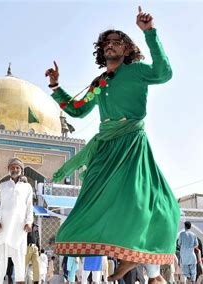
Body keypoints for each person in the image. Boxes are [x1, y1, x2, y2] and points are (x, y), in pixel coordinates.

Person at [45, 6, 179, 283]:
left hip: (131, 144)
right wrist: (57, 88)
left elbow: (164, 73)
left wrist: (150, 33)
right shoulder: (100, 82)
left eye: (117, 41)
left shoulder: (138, 71)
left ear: (128, 49)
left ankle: (151, 273)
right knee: (92, 200)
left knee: (143, 202)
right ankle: (119, 260)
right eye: (107, 42)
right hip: (106, 147)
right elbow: (78, 110)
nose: (111, 45)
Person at [0, 158, 34, 284]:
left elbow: (29, 207)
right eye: (12, 167)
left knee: (19, 259)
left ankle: (20, 281)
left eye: (17, 168)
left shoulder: (27, 187)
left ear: (21, 170)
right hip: (4, 228)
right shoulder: (2, 186)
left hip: (19, 228)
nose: (15, 170)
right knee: (1, 260)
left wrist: (29, 222)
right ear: (8, 169)